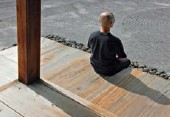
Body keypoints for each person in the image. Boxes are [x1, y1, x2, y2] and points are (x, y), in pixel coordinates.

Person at [88, 12, 131, 76]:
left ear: (99, 21)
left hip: (95, 65)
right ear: (111, 24)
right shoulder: (115, 40)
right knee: (127, 61)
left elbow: (90, 47)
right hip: (108, 70)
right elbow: (122, 56)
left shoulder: (93, 35)